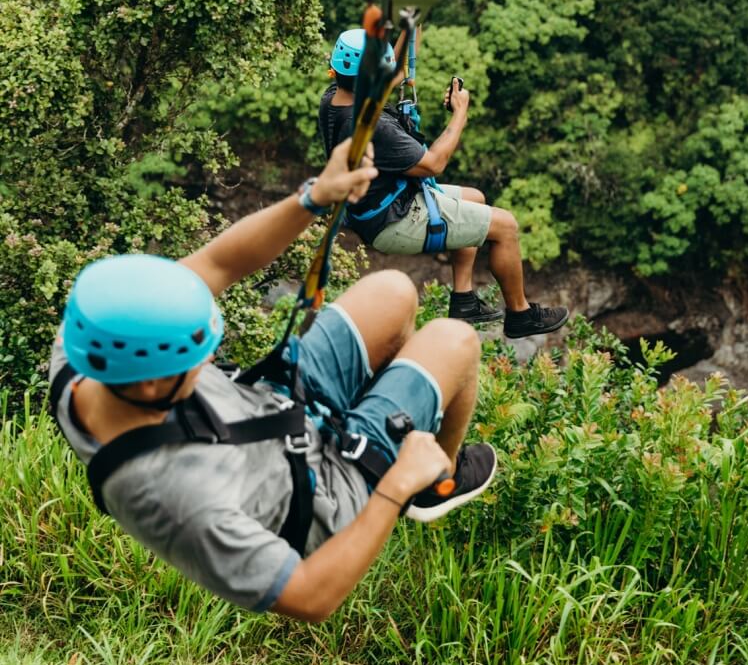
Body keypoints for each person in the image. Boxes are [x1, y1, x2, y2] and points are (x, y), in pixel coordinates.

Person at [49, 138, 497, 624]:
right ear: (154, 386)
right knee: (455, 341)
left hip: (272, 407)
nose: (213, 357)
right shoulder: (174, 498)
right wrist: (395, 485)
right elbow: (309, 599)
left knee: (392, 291)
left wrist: (315, 196)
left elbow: (220, 263)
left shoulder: (94, 341)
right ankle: (434, 481)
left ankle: (383, 416)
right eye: (200, 357)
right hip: (322, 492)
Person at [319, 28, 569, 339]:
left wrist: (414, 22)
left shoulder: (336, 97)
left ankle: (463, 299)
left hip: (377, 204)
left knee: (475, 197)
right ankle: (520, 314)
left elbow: (397, 70)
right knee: (506, 226)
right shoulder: (372, 126)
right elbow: (434, 164)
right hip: (394, 219)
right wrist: (460, 113)